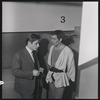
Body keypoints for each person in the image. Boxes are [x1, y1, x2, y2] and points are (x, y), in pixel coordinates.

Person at [12, 33, 44, 99]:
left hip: (35, 86)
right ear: (29, 43)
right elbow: (15, 71)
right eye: (36, 43)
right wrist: (31, 73)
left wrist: (39, 69)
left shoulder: (34, 53)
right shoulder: (18, 55)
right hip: (26, 89)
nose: (38, 45)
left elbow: (32, 66)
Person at [46, 30, 75, 99]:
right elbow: (51, 63)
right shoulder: (52, 47)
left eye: (54, 39)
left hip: (61, 77)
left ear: (60, 39)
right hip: (51, 75)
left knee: (58, 97)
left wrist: (67, 79)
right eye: (51, 38)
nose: (52, 41)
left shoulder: (67, 51)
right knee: (53, 95)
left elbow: (71, 67)